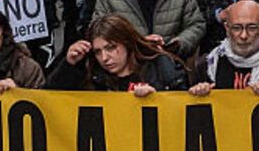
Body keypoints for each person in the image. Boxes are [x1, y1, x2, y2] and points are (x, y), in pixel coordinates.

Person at [49, 14, 188, 94]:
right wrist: (69, 65)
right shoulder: (92, 74)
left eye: (111, 48)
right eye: (98, 52)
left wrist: (155, 97)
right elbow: (47, 101)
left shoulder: (159, 65)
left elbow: (182, 105)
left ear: (127, 43)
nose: (104, 58)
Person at [189, 0, 259, 93]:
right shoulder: (207, 65)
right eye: (236, 28)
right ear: (227, 28)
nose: (243, 35)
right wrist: (198, 93)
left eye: (252, 28)